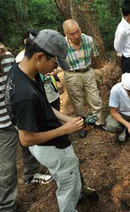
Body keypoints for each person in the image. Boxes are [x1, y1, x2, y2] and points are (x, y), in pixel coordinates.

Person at [5, 29, 95, 212]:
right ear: (39, 57)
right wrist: (65, 129)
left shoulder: (23, 71)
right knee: (67, 183)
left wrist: (69, 120)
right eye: (54, 61)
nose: (56, 68)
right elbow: (26, 139)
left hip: (53, 140)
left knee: (71, 170)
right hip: (48, 147)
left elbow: (45, 107)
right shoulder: (24, 94)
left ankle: (79, 193)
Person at [0, 42, 52, 211]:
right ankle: (7, 206)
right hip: (2, 124)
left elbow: (17, 82)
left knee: (29, 147)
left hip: (18, 115)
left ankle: (31, 174)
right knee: (6, 168)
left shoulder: (7, 58)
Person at [63, 19, 105, 138]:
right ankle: (82, 125)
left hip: (87, 71)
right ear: (65, 33)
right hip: (71, 74)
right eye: (72, 33)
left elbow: (94, 55)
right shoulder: (61, 44)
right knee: (77, 103)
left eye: (78, 31)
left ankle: (99, 122)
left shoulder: (88, 40)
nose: (76, 35)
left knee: (95, 99)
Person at [16, 30, 61, 110]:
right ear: (25, 41)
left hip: (51, 93)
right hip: (38, 98)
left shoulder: (46, 52)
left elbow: (57, 68)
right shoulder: (20, 58)